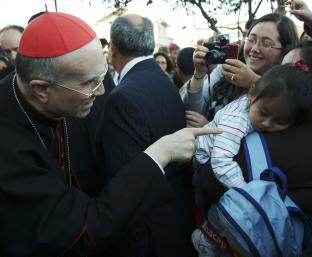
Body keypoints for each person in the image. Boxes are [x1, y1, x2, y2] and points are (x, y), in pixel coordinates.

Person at [0, 11, 221, 257]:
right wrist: (159, 155)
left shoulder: (77, 88)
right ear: (41, 90)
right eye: (89, 84)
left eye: (102, 75)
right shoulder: (7, 144)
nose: (102, 90)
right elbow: (76, 232)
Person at [194, 42, 312, 256]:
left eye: (292, 70)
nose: (282, 75)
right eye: (280, 67)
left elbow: (209, 179)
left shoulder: (294, 127)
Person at [96, 14, 196, 257]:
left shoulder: (122, 97)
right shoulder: (163, 80)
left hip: (148, 234)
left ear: (114, 47)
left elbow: (128, 183)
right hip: (175, 219)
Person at [181, 13, 299, 121]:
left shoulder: (291, 87)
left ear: (284, 52)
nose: (254, 49)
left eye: (266, 43)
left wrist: (253, 82)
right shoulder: (226, 69)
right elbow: (192, 112)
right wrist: (199, 73)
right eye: (251, 40)